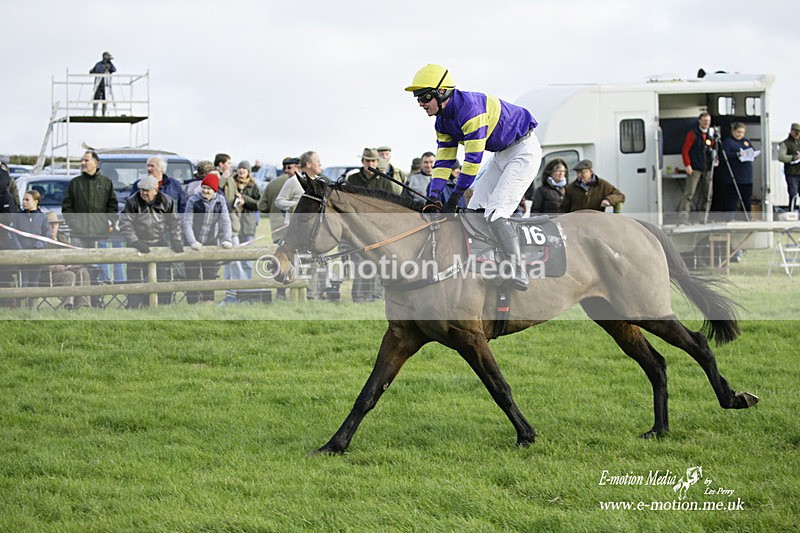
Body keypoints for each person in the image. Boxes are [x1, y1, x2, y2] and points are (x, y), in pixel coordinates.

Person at [405, 63, 541, 291]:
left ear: (442, 92)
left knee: (496, 213)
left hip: (523, 151)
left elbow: (472, 162)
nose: (420, 103)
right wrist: (434, 195)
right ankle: (487, 264)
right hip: (501, 155)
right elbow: (444, 161)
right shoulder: (442, 121)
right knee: (474, 212)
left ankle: (518, 269)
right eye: (417, 98)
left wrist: (453, 197)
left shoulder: (471, 110)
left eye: (424, 96)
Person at [274, 151, 335, 300]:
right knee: (297, 264)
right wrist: (297, 205)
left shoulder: (320, 182)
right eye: (317, 161)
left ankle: (317, 294)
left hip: (317, 233)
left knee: (320, 264)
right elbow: (279, 201)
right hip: (296, 232)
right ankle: (295, 296)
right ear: (308, 164)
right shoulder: (294, 181)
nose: (320, 164)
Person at [119, 174, 184, 308]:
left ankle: (161, 306)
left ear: (155, 190)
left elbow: (175, 222)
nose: (143, 193)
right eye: (141, 190)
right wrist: (135, 241)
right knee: (135, 278)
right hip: (137, 245)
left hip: (159, 242)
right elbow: (125, 224)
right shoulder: (132, 201)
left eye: (147, 190)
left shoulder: (167, 201)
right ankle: (133, 307)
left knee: (162, 276)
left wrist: (176, 239)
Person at [182, 173, 232, 304]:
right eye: (203, 187)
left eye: (208, 188)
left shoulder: (220, 201)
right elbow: (187, 222)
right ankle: (192, 302)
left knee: (209, 273)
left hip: (211, 240)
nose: (205, 191)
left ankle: (208, 301)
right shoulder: (193, 200)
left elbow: (225, 220)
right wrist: (192, 241)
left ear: (214, 190)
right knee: (192, 273)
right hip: (193, 240)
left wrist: (227, 239)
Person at [61, 150, 118, 249]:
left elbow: (112, 205)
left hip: (101, 235)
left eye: (86, 160)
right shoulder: (75, 183)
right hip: (78, 235)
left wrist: (109, 222)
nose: (83, 163)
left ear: (95, 163)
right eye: (82, 160)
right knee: (78, 259)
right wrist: (74, 224)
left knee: (99, 259)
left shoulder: (106, 182)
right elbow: (67, 207)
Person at [41, 212, 91, 310]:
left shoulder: (62, 238)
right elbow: (35, 264)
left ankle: (83, 305)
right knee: (69, 275)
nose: (53, 226)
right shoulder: (40, 240)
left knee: (83, 272)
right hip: (47, 275)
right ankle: (67, 306)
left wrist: (72, 265)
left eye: (55, 224)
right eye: (50, 224)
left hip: (66, 270)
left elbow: (73, 256)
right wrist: (52, 268)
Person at [678, 112, 718, 223]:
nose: (706, 123)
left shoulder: (712, 134)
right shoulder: (693, 134)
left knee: (708, 194)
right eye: (704, 120)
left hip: (708, 167)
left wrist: (715, 159)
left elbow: (714, 149)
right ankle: (684, 217)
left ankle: (704, 217)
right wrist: (687, 165)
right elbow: (685, 150)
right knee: (689, 193)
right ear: (699, 121)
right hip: (695, 167)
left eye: (708, 121)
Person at [718, 123, 757, 220]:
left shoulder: (746, 141)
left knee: (747, 198)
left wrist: (752, 154)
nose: (740, 134)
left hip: (746, 175)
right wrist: (737, 154)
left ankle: (747, 217)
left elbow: (752, 151)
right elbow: (724, 155)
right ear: (733, 131)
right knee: (732, 199)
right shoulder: (728, 142)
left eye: (742, 132)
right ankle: (730, 218)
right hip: (733, 176)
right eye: (738, 132)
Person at [15, 191, 50, 296]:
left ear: (36, 201)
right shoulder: (17, 216)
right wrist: (19, 249)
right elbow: (13, 234)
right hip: (22, 256)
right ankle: (21, 303)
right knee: (23, 283)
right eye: (23, 199)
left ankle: (32, 304)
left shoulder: (43, 217)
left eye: (27, 200)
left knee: (34, 283)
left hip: (36, 256)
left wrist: (38, 245)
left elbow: (46, 235)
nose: (24, 202)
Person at [258, 156, 299, 243]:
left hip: (277, 229)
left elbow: (261, 206)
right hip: (295, 230)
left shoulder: (272, 184)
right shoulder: (299, 183)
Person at [559, 160, 625, 213]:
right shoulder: (570, 188)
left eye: (582, 172)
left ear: (591, 172)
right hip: (576, 221)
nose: (579, 175)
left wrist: (608, 200)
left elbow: (620, 196)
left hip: (596, 221)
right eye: (578, 172)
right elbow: (563, 209)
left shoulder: (602, 184)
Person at [778, 122, 800, 209]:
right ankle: (792, 211)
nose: (798, 134)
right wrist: (794, 158)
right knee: (793, 194)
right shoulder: (785, 143)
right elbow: (781, 157)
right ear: (791, 131)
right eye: (796, 132)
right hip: (792, 173)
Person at [90, 51, 116, 116]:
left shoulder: (110, 64)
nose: (109, 57)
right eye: (108, 56)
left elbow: (114, 69)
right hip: (99, 84)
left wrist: (110, 63)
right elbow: (96, 70)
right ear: (104, 56)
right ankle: (94, 113)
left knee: (105, 99)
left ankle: (103, 113)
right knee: (96, 98)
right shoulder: (99, 64)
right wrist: (103, 69)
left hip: (106, 85)